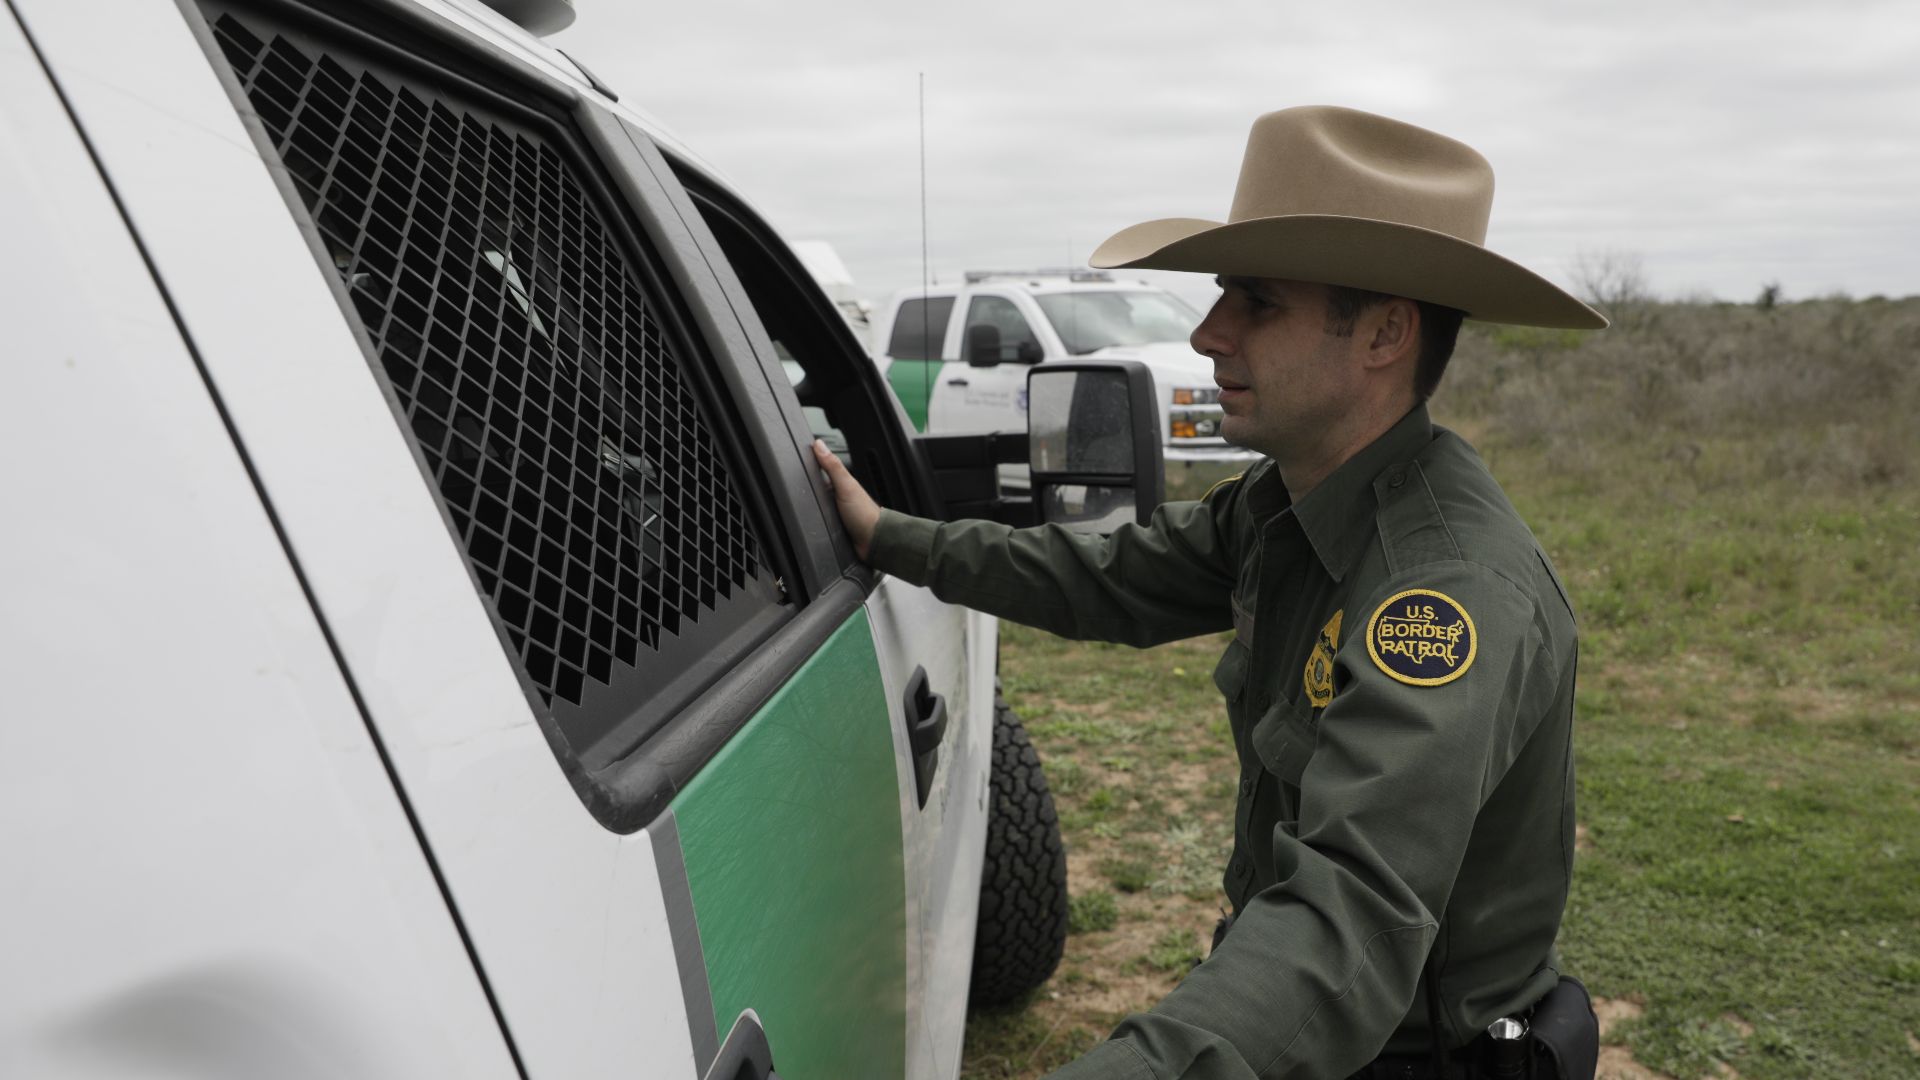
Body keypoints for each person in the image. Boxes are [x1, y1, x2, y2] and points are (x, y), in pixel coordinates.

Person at [814, 106, 1604, 1080]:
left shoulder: (1443, 595)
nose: (1207, 333)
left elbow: (1343, 924)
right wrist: (890, 536)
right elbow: (1102, 577)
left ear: (1387, 333)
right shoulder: (1287, 505)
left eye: (1257, 303)